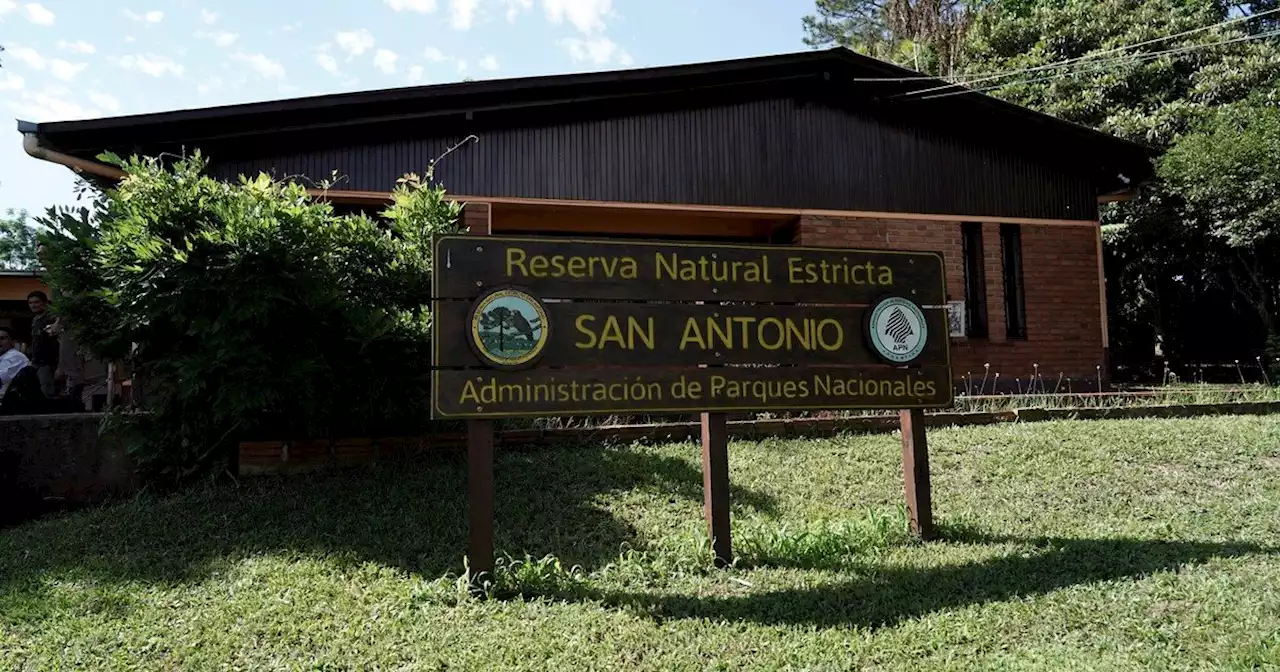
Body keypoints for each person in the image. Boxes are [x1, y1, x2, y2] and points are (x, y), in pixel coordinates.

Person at [27, 290, 59, 398]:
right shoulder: (35, 320)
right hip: (36, 362)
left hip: (47, 363)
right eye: (30, 303)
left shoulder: (51, 318)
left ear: (44, 303)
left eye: (36, 302)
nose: (33, 305)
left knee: (47, 392)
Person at [0, 326, 31, 400]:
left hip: (8, 403)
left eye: (2, 338)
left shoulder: (15, 356)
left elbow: (1, 378)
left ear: (13, 343)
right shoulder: (3, 356)